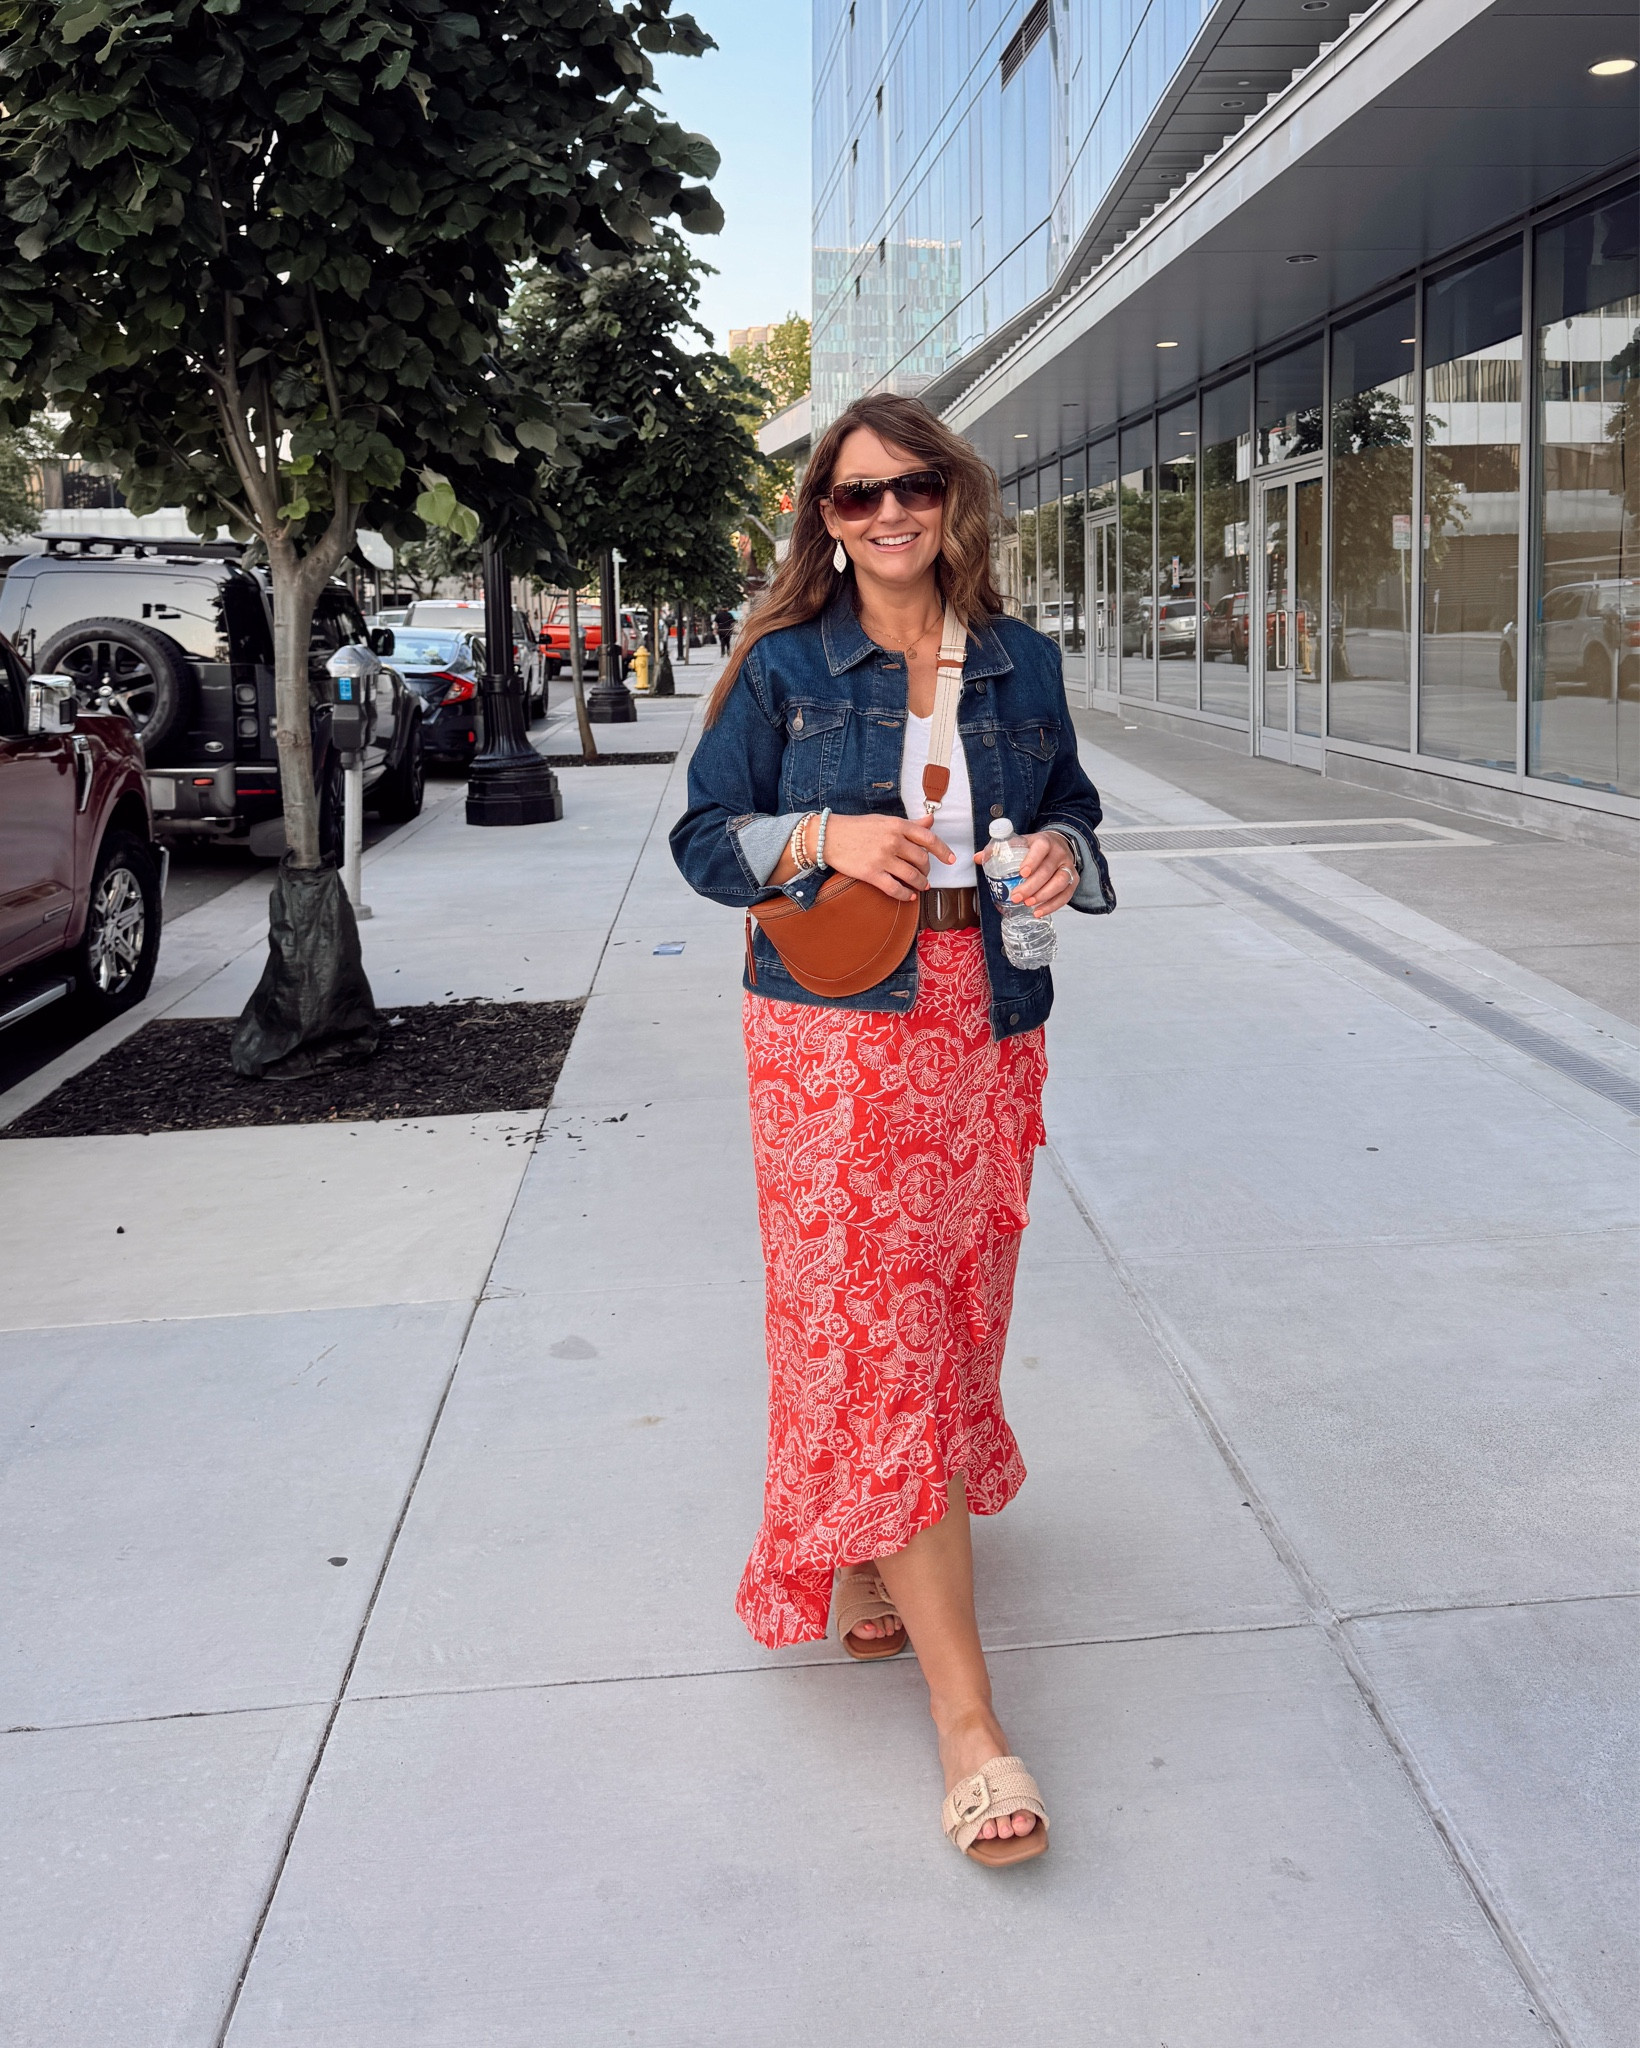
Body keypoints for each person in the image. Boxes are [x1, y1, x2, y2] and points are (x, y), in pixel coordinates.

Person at [671, 393, 1108, 1868]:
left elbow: (1079, 815)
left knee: (951, 1306)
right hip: (830, 1031)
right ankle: (971, 1729)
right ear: (826, 522)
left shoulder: (1025, 662)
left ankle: (865, 1547)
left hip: (983, 1024)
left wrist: (1059, 853)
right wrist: (821, 836)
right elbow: (699, 837)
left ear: (952, 497)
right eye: (855, 499)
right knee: (878, 1330)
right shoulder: (788, 667)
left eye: (911, 487)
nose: (889, 516)